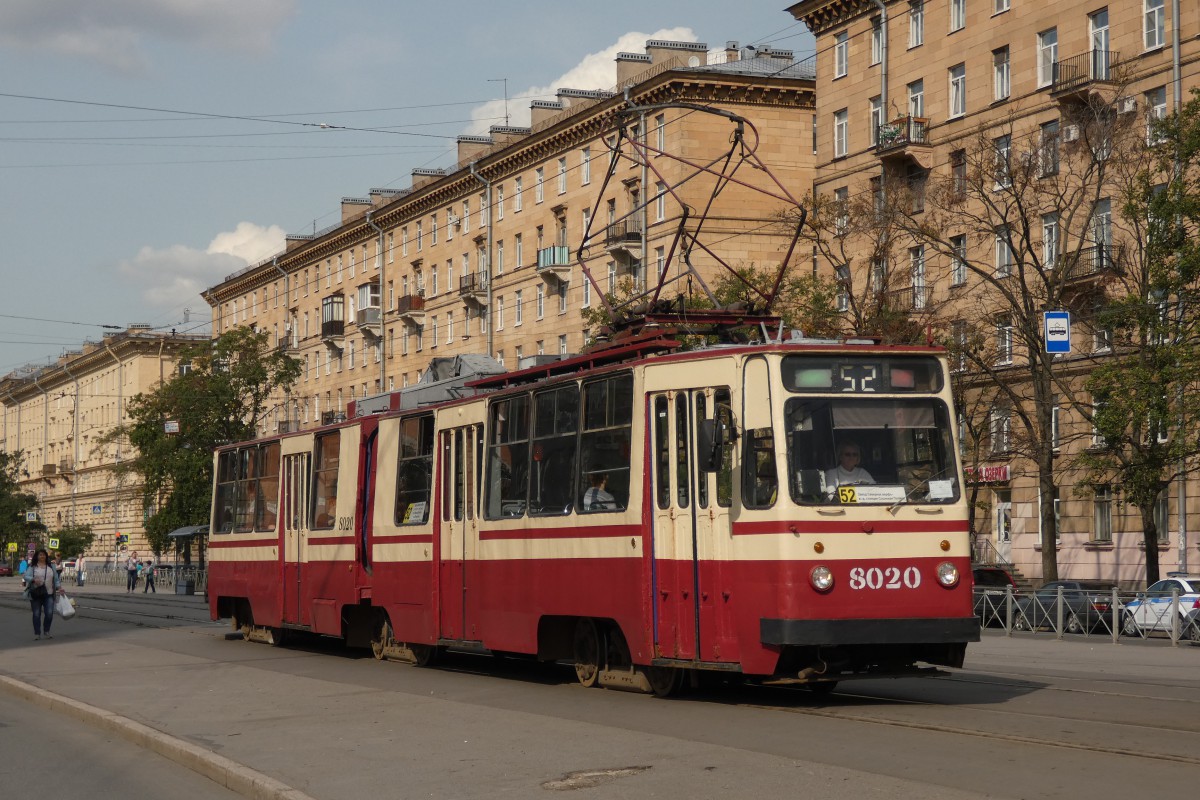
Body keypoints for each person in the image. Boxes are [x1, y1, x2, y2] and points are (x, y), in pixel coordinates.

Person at [23, 549, 60, 640]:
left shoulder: (51, 566)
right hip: (36, 593)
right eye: (40, 555)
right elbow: (25, 576)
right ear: (37, 556)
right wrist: (33, 579)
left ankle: (46, 631)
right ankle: (37, 633)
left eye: (43, 555)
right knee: (36, 614)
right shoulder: (33, 566)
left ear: (46, 556)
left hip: (49, 593)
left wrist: (59, 587)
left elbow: (56, 579)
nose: (42, 556)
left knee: (49, 613)